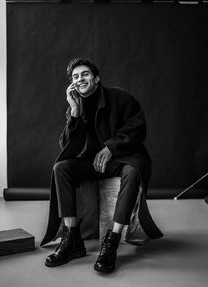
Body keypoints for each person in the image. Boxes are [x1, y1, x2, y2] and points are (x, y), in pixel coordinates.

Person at [41, 57, 163, 273]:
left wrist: (110, 148)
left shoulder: (120, 97)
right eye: (75, 77)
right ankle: (71, 241)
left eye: (85, 74)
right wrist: (75, 114)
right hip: (92, 162)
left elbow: (138, 127)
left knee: (133, 171)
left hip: (124, 158)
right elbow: (67, 146)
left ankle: (112, 241)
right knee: (61, 168)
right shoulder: (74, 106)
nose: (80, 79)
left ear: (96, 78)